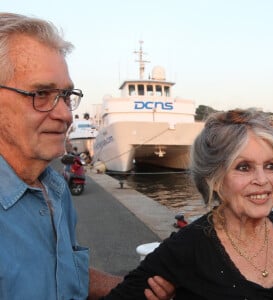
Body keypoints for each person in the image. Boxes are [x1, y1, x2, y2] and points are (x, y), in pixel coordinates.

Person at [0, 12, 174, 299]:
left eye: (66, 96)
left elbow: (60, 272)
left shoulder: (54, 190)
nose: (65, 114)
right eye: (41, 94)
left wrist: (137, 291)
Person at [101, 108, 273, 299]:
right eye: (244, 167)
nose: (262, 179)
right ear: (214, 177)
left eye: (270, 166)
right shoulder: (186, 248)